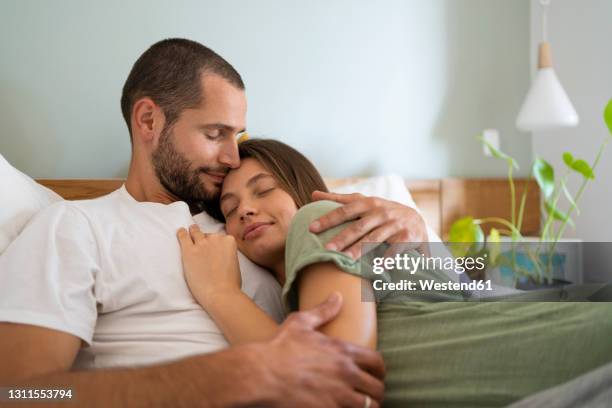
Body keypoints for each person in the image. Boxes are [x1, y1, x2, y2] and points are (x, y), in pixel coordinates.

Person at [0, 38, 434, 406]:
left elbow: (417, 305)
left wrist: (418, 239)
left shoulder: (254, 233)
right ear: (148, 120)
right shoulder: (75, 227)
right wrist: (222, 378)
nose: (231, 157)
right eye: (215, 134)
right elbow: (18, 395)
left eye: (237, 137)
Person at [177, 138, 612, 407]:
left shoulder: (321, 218)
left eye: (264, 189)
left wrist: (221, 295)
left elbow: (332, 385)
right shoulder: (296, 317)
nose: (246, 210)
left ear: (300, 189)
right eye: (230, 210)